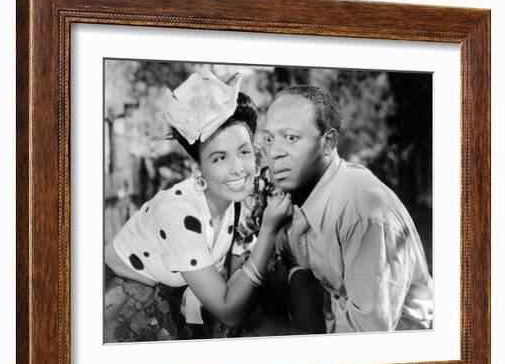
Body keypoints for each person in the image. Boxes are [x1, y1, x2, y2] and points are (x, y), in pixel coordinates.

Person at [105, 71, 292, 334]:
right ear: (198, 168)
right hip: (117, 305)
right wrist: (268, 232)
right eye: (219, 158)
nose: (238, 168)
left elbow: (230, 276)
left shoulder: (232, 200)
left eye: (244, 151)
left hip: (163, 299)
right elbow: (230, 314)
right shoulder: (178, 213)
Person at [261, 85, 433, 333]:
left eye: (290, 138)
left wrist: (307, 311)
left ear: (328, 142)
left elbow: (369, 335)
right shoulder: (295, 198)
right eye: (268, 139)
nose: (274, 152)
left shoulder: (364, 213)